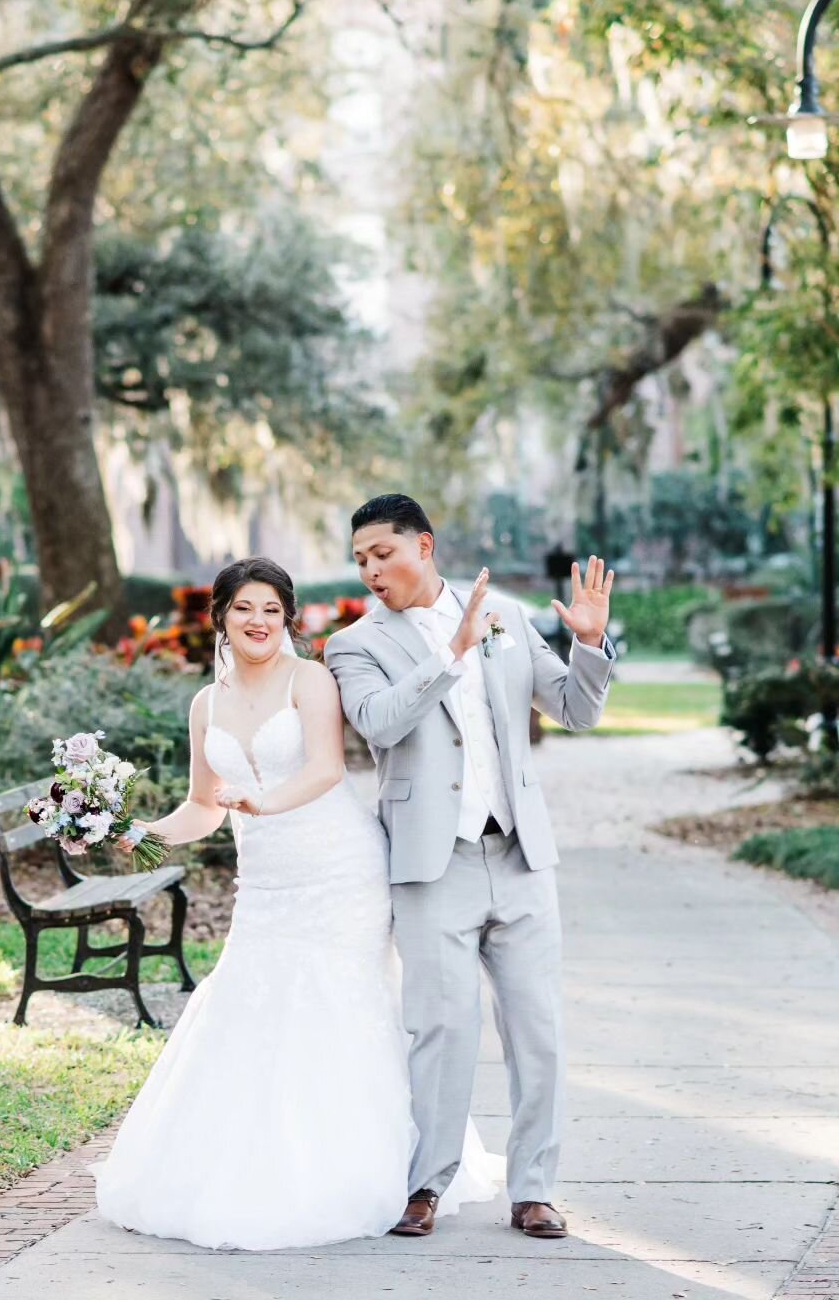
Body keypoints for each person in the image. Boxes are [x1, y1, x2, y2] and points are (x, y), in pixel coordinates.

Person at [92, 555, 501, 1252]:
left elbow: (325, 769)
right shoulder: (207, 704)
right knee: (251, 1006)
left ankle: (366, 1172)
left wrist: (264, 801)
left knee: (338, 1007)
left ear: (288, 619)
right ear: (220, 616)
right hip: (267, 887)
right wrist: (137, 832)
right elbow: (202, 807)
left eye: (272, 610)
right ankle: (250, 1170)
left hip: (340, 872)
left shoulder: (309, 680)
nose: (258, 622)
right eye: (245, 608)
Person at [324, 494, 615, 1240]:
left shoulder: (508, 617)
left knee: (537, 1031)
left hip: (519, 854)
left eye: (381, 554)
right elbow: (381, 723)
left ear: (424, 545)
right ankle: (426, 1184)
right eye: (360, 560)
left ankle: (534, 1190)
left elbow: (576, 712)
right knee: (440, 1029)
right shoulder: (354, 646)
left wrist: (589, 644)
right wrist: (448, 653)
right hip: (431, 863)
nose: (370, 571)